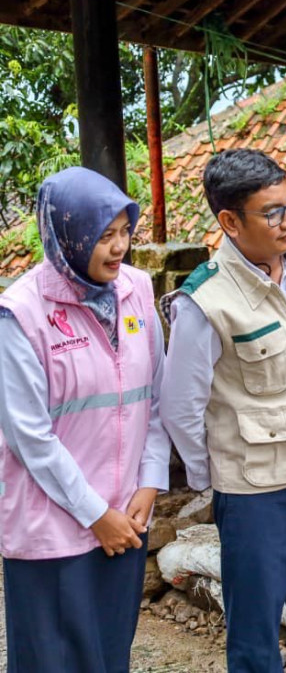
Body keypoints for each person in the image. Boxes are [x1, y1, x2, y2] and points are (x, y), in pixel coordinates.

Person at [160, 149, 286, 672]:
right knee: (256, 631)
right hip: (256, 493)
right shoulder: (204, 302)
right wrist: (217, 474)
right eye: (272, 212)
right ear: (229, 221)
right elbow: (180, 406)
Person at [0, 167, 171, 672]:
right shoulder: (20, 313)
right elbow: (31, 436)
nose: (119, 248)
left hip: (126, 519)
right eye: (104, 235)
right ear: (67, 234)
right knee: (54, 662)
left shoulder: (136, 289)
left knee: (107, 658)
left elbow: (154, 399)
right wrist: (96, 514)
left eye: (125, 232)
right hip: (53, 529)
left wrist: (150, 483)